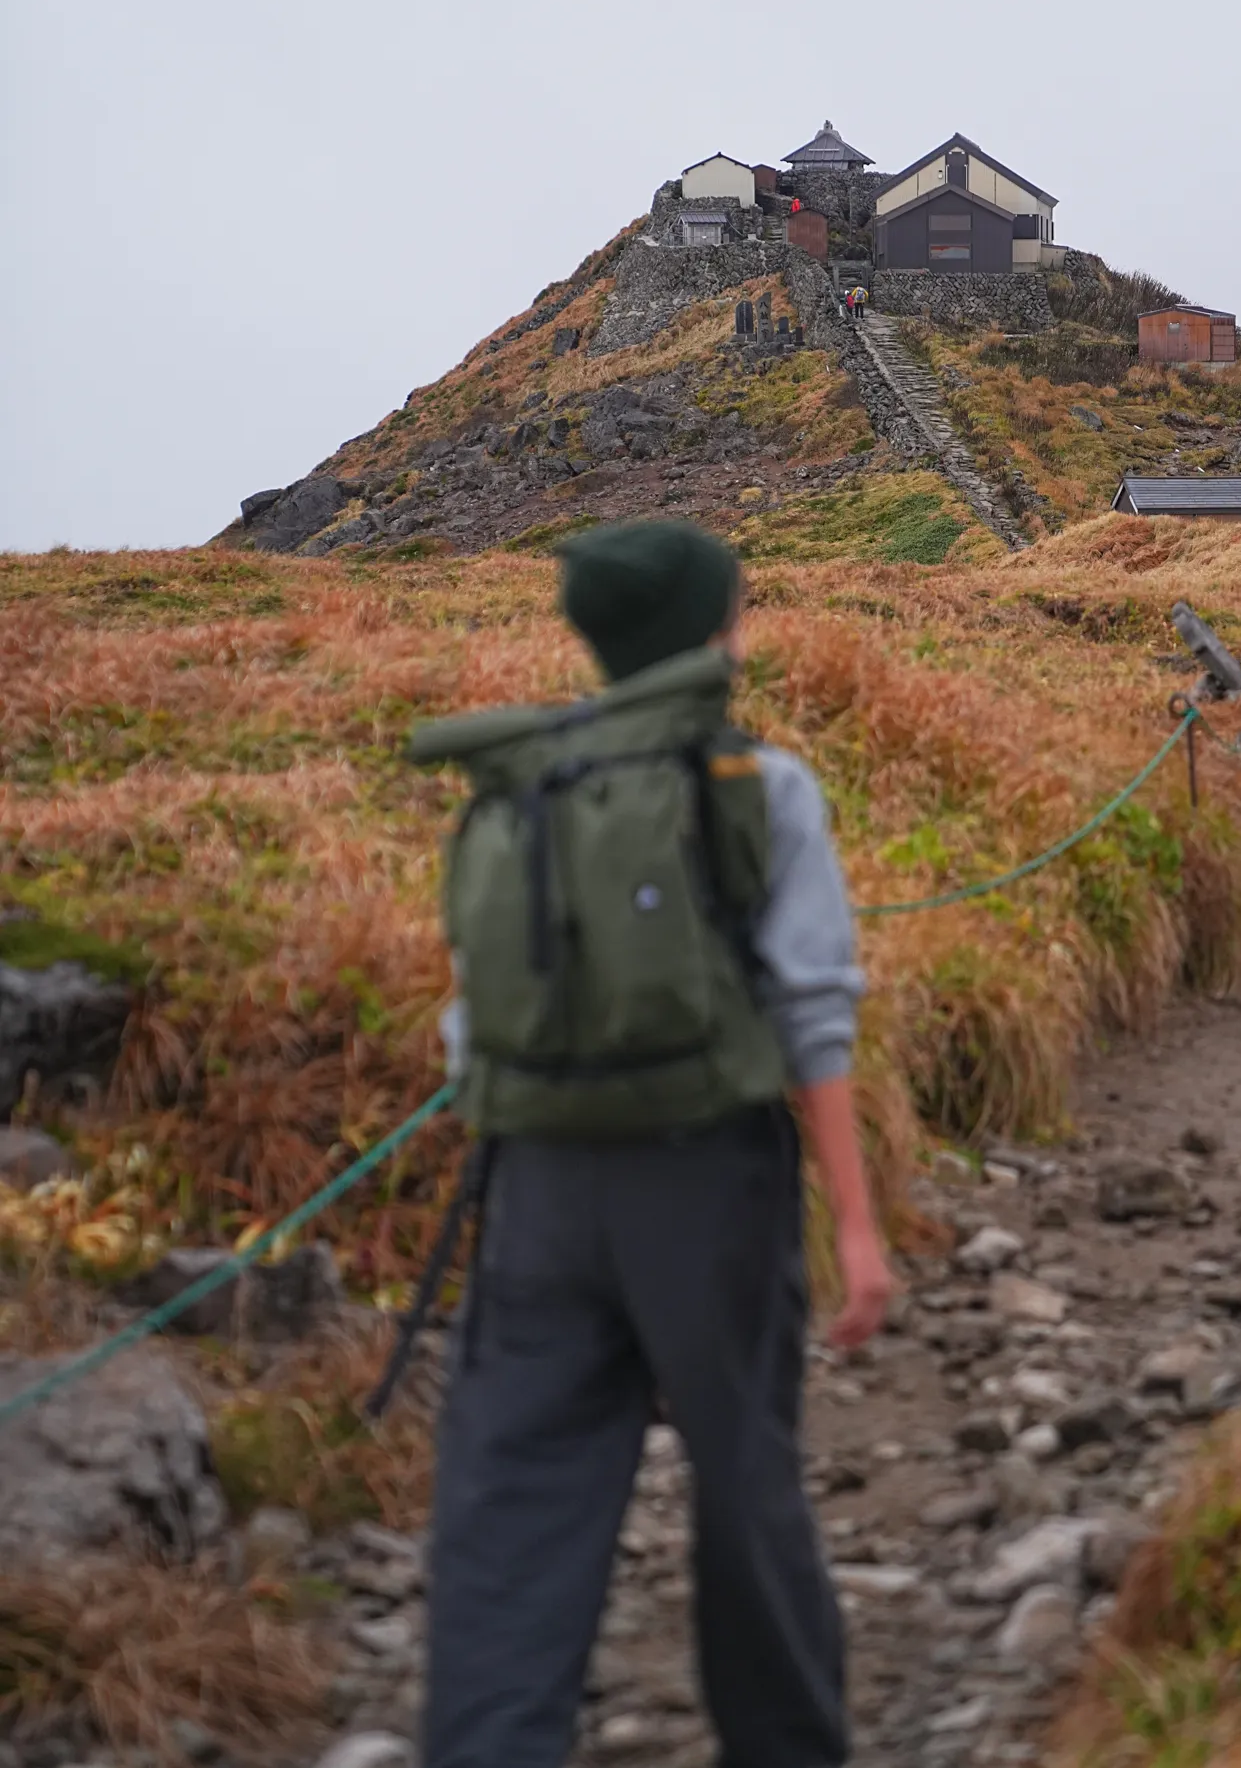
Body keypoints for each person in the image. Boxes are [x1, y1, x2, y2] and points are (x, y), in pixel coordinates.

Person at [417, 519, 892, 1768]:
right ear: (713, 630)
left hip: (531, 1187)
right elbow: (811, 1015)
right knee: (746, 1488)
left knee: (511, 1510)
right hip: (706, 1179)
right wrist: (854, 1224)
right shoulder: (752, 784)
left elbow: (471, 1032)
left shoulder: (516, 778)